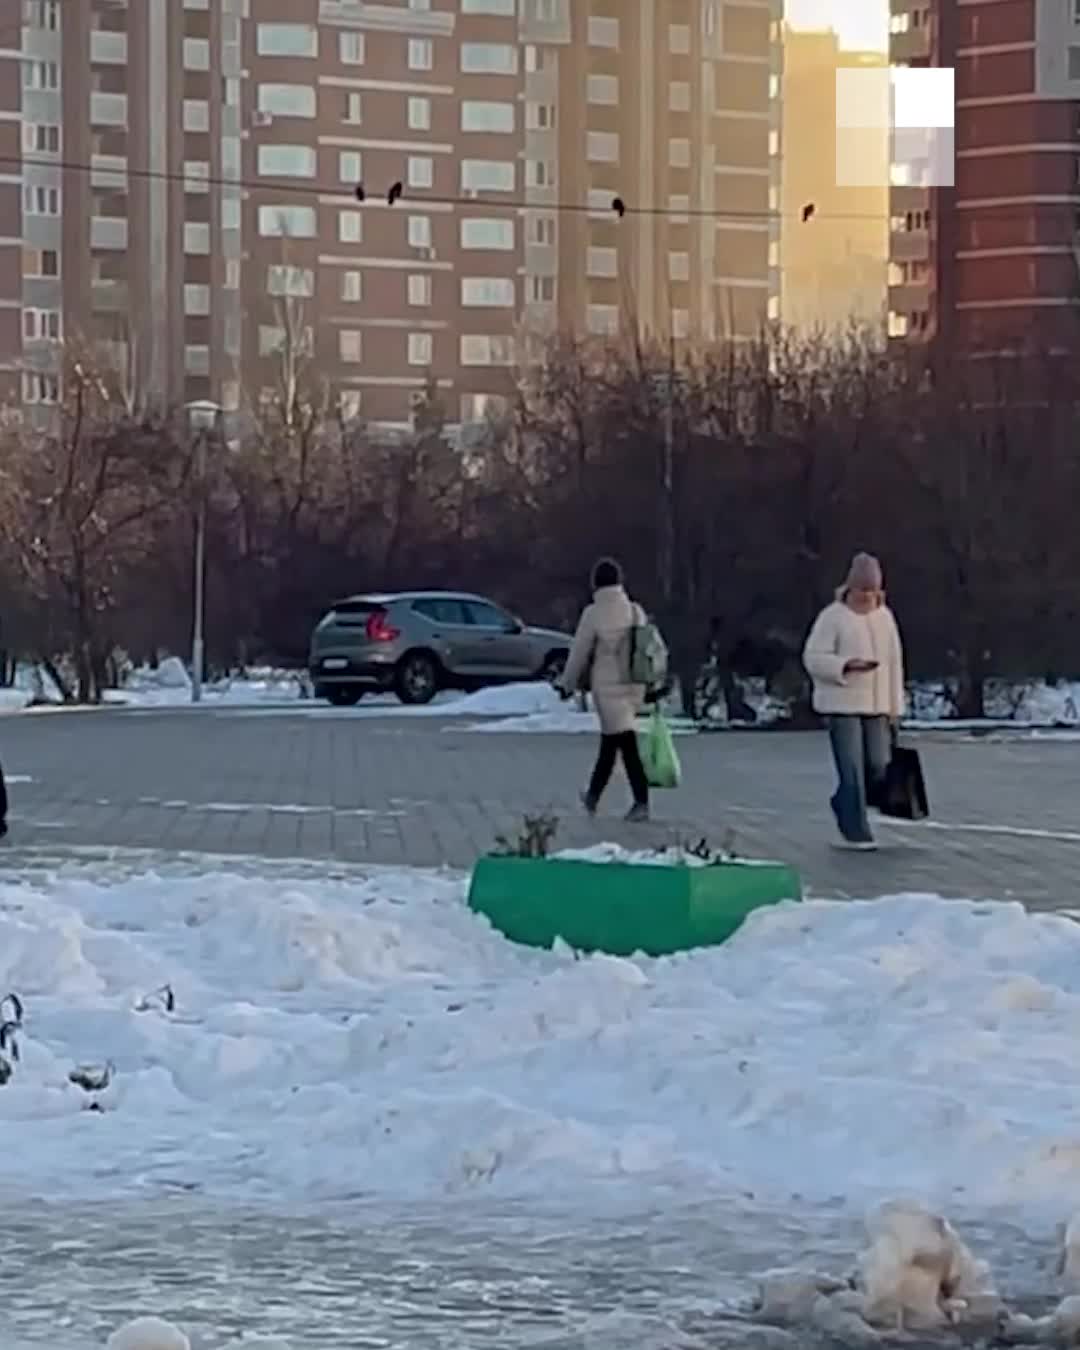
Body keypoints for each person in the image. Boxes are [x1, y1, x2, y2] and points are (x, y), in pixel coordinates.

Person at [802, 552, 905, 851]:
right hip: (842, 704)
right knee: (851, 770)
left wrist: (896, 708)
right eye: (862, 590)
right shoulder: (832, 617)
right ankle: (856, 830)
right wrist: (846, 665)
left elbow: (895, 664)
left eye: (871, 590)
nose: (866, 596)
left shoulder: (885, 618)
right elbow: (814, 657)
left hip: (877, 706)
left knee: (879, 764)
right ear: (850, 587)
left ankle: (842, 803)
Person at [559, 557, 650, 822]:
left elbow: (579, 652)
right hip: (633, 685)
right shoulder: (635, 610)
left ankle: (639, 801)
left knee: (623, 743)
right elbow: (645, 648)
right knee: (613, 743)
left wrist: (567, 683)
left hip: (607, 689)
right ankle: (594, 796)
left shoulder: (594, 613)